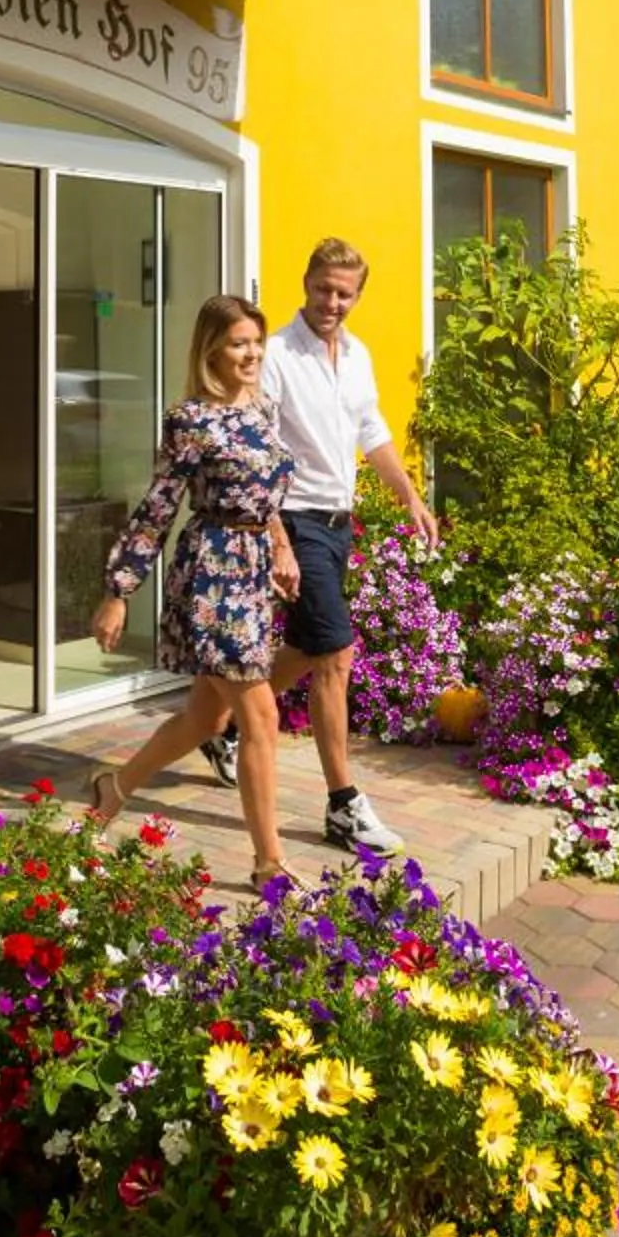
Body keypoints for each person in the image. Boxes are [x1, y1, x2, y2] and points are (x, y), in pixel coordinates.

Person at [200, 237, 439, 857]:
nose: (333, 302)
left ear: (358, 295)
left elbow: (372, 431)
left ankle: (217, 724)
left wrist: (410, 496)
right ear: (305, 281)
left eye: (345, 293)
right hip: (294, 518)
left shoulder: (356, 355)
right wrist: (274, 534)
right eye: (324, 288)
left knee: (309, 646)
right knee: (336, 653)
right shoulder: (275, 354)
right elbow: (256, 443)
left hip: (338, 520)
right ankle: (343, 805)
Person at [84, 294, 300, 886]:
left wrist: (280, 547)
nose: (252, 352)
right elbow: (158, 507)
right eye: (238, 343)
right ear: (212, 349)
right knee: (261, 716)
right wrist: (119, 589)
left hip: (253, 572)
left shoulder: (264, 410)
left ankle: (112, 789)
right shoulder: (190, 420)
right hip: (212, 574)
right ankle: (269, 863)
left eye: (256, 341)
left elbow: (268, 497)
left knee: (204, 720)